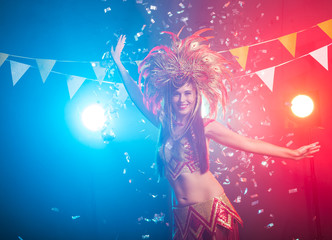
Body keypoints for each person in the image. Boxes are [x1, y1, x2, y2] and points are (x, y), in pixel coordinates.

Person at [111, 29, 320, 240]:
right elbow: (138, 97)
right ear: (170, 97)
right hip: (182, 214)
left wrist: (293, 153)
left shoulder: (205, 126)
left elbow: (247, 143)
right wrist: (119, 64)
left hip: (211, 209)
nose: (182, 99)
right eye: (177, 94)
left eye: (187, 94)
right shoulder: (164, 124)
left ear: (196, 96)